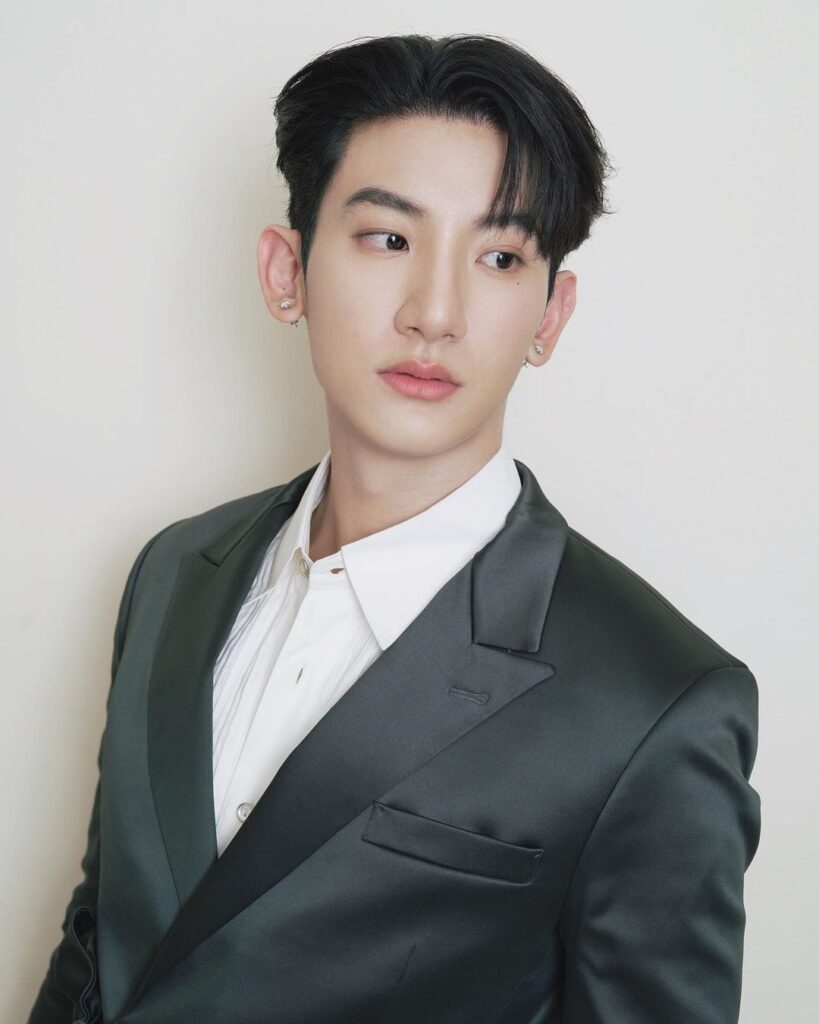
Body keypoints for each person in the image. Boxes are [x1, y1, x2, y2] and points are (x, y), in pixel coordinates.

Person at [27, 32, 761, 1024]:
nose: (435, 312)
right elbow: (100, 945)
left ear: (550, 315)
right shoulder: (173, 572)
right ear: (287, 271)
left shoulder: (655, 702)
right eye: (388, 239)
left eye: (498, 257)